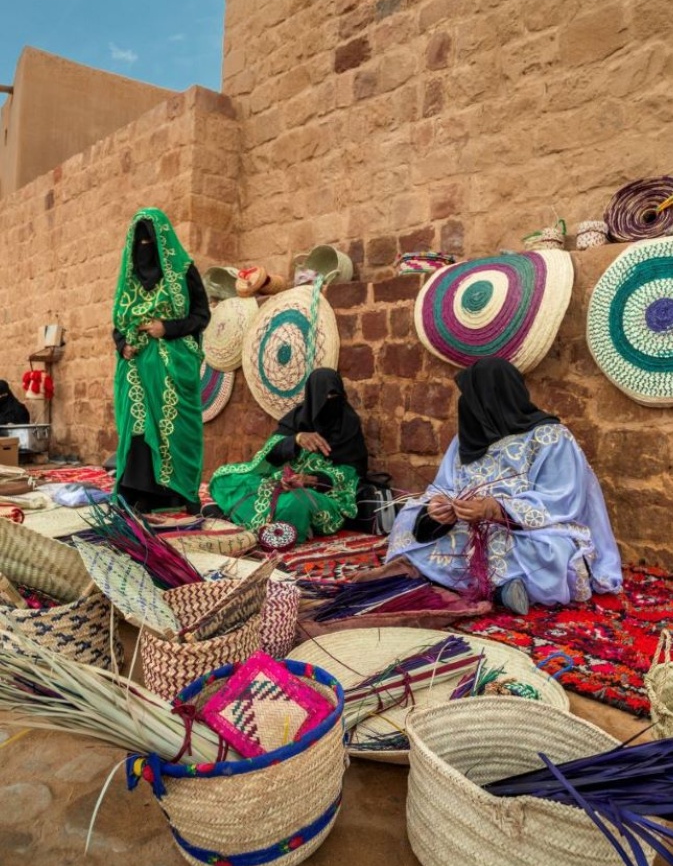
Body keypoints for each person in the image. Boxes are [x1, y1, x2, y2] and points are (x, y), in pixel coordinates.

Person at [386, 357, 623, 614]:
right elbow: (443, 487)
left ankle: (463, 582)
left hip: (528, 531)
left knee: (553, 552)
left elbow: (562, 500)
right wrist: (438, 508)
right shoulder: (466, 438)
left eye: (472, 397)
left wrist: (496, 509)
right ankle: (499, 588)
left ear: (490, 399)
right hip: (467, 527)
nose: (465, 405)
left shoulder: (551, 437)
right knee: (408, 518)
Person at [112, 208, 210, 513]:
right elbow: (118, 323)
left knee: (176, 431)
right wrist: (123, 345)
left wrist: (166, 328)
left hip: (173, 368)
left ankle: (173, 494)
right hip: (136, 370)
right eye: (139, 242)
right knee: (139, 430)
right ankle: (140, 492)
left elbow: (201, 316)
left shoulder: (183, 271)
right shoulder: (128, 277)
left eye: (150, 242)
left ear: (162, 241)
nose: (144, 249)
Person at [208, 368, 367, 543]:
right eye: (323, 397)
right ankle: (276, 521)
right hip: (285, 481)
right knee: (225, 479)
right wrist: (296, 439)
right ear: (312, 397)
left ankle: (270, 525)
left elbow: (353, 471)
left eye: (334, 395)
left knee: (296, 502)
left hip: (325, 493)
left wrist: (311, 480)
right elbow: (271, 454)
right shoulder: (298, 417)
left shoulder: (348, 425)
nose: (329, 401)